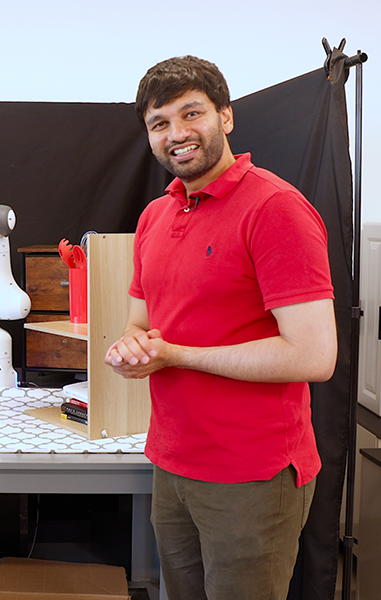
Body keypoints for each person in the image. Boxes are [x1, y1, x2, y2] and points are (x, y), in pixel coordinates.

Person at [104, 56, 337, 599]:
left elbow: (313, 355)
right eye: (160, 123)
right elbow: (142, 326)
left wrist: (178, 355)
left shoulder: (275, 208)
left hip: (252, 475)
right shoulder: (154, 218)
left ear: (226, 117)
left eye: (192, 114)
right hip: (171, 464)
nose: (176, 134)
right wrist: (128, 350)